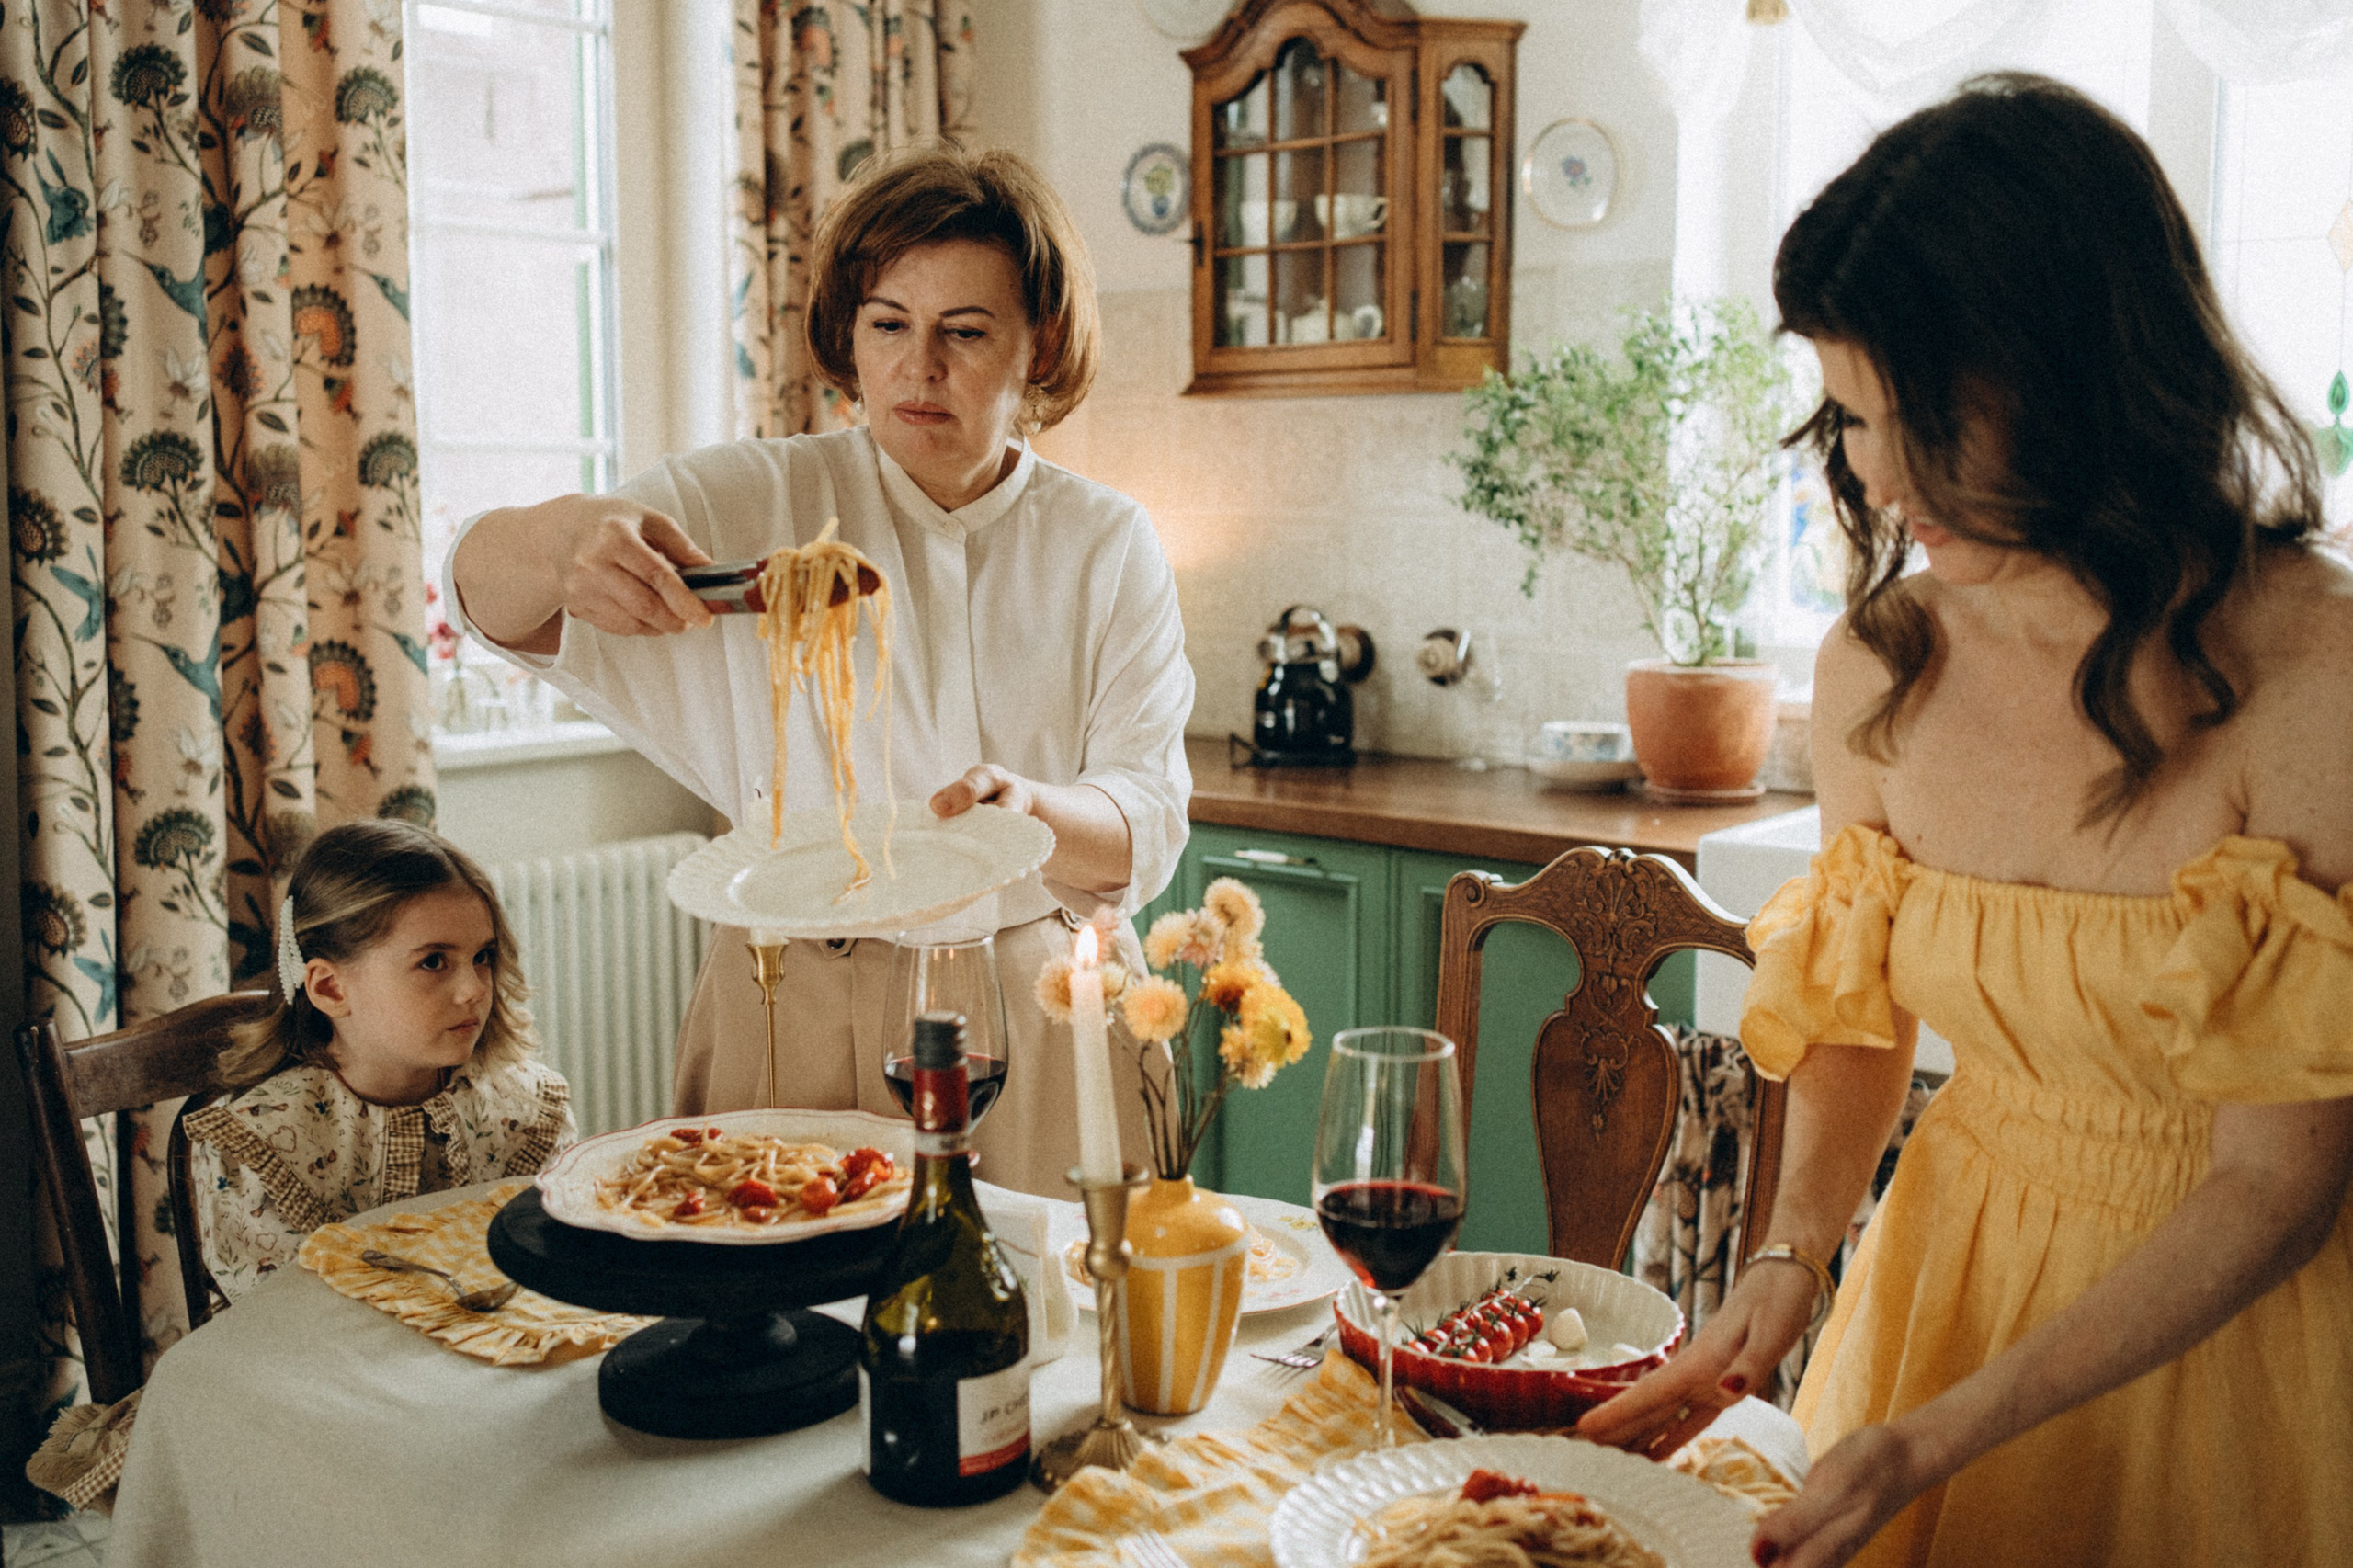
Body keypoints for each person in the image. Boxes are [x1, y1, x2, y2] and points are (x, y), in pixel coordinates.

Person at [1578, 74, 2353, 1567]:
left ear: (2078, 369)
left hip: (2235, 1332)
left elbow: (2277, 1187)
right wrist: (1793, 1250)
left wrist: (1937, 1436)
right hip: (1952, 1283)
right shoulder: (1882, 663)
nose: (1873, 474)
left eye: (1915, 417)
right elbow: (1859, 1020)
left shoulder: (2319, 670)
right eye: (1852, 416)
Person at [442, 146, 1189, 1195]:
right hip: (784, 988)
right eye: (888, 325)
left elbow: (1146, 813)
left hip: (1035, 994)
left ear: (1043, 341)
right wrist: (558, 536)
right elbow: (484, 596)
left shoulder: (1104, 540)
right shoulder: (754, 499)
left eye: (965, 331)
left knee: (1045, 1295)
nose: (919, 367)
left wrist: (1028, 811)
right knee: (770, 1288)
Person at [187, 821, 574, 1304]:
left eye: (483, 956)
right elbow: (279, 1324)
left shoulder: (529, 1111)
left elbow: (556, 1275)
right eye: (433, 962)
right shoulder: (255, 1146)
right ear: (331, 988)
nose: (474, 989)